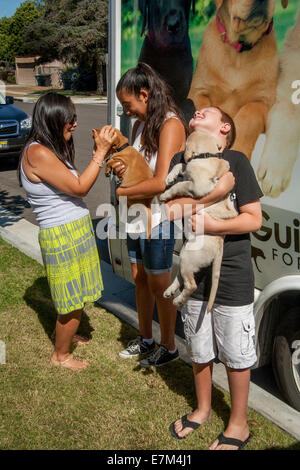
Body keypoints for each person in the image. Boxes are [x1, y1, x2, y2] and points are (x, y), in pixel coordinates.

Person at [108, 63, 234, 368]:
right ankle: (146, 339)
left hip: (160, 219)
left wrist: (122, 193)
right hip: (137, 215)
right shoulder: (141, 125)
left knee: (158, 283)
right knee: (139, 279)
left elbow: (162, 180)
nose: (127, 113)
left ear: (145, 94)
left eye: (129, 105)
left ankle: (168, 345)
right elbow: (141, 169)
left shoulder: (170, 124)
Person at [166, 107, 263, 450]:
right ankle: (203, 409)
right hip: (195, 269)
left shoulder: (237, 160)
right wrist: (219, 190)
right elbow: (171, 209)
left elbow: (253, 219)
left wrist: (215, 225)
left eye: (209, 112)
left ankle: (238, 425)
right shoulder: (182, 156)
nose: (198, 110)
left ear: (224, 128)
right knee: (198, 345)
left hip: (233, 273)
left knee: (236, 353)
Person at [19, 92, 116, 371]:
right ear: (53, 119)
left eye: (75, 118)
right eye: (69, 119)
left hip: (73, 230)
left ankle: (65, 336)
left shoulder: (49, 148)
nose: (75, 124)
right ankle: (60, 355)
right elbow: (80, 188)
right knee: (71, 302)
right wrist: (100, 153)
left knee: (77, 294)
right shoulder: (37, 152)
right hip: (63, 235)